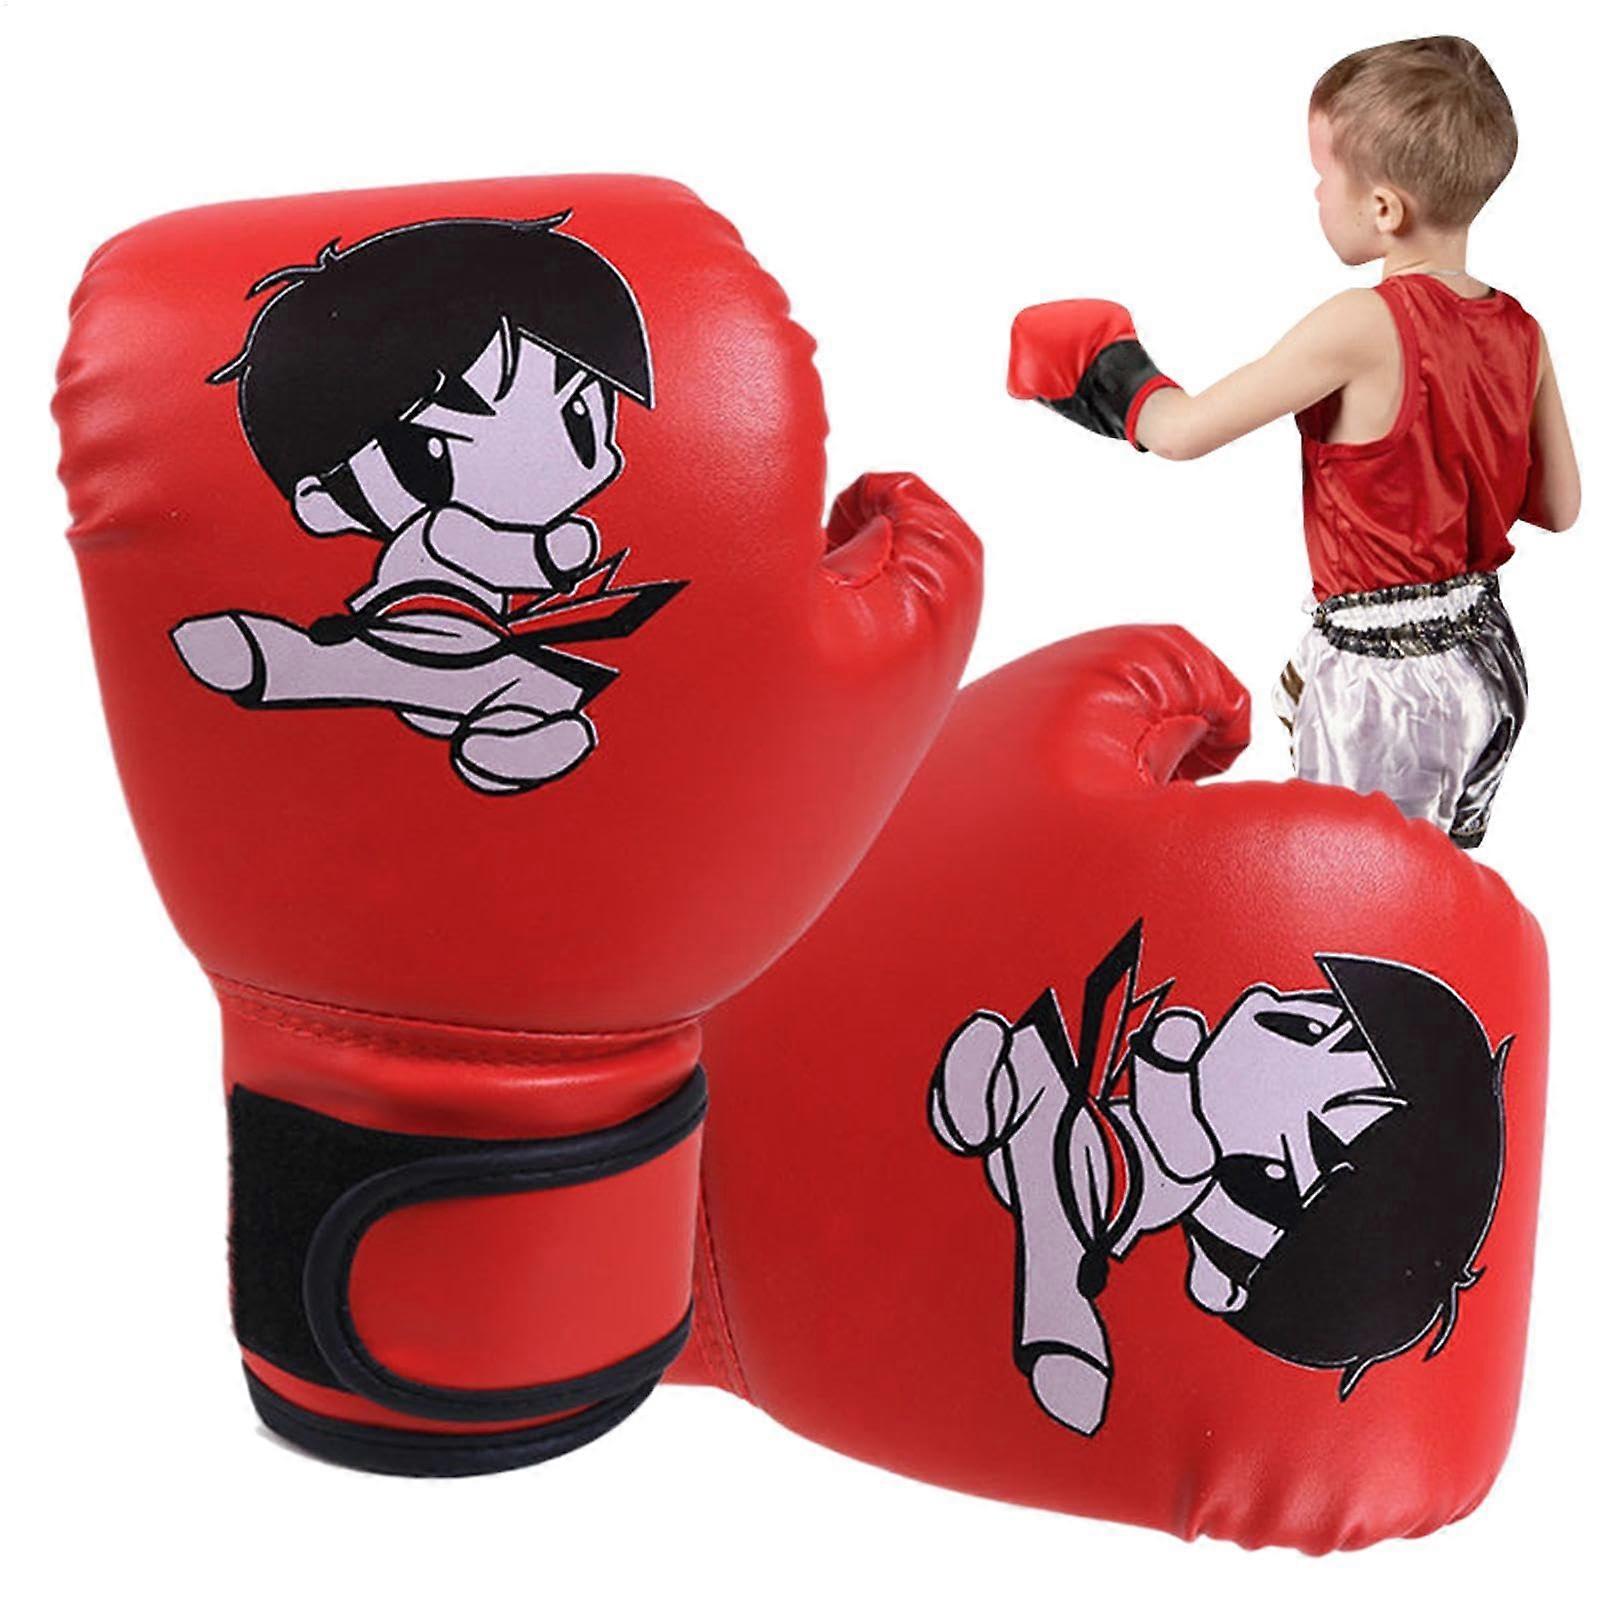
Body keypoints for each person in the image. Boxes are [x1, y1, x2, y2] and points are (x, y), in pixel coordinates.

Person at [1008, 37, 1580, 846]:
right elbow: (1557, 506)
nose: (1314, 193)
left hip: (1386, 682)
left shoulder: (1361, 323)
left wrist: (1108, 370)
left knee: (1353, 883)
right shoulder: (1521, 328)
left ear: (1383, 209)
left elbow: (1180, 431)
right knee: (1433, 871)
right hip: (1486, 659)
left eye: (1322, 175)